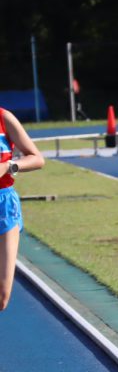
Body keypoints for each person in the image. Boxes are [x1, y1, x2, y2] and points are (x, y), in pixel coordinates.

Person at [1, 108, 45, 311]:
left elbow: (37, 158)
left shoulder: (4, 117)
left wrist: (10, 166)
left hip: (4, 204)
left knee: (2, 295)